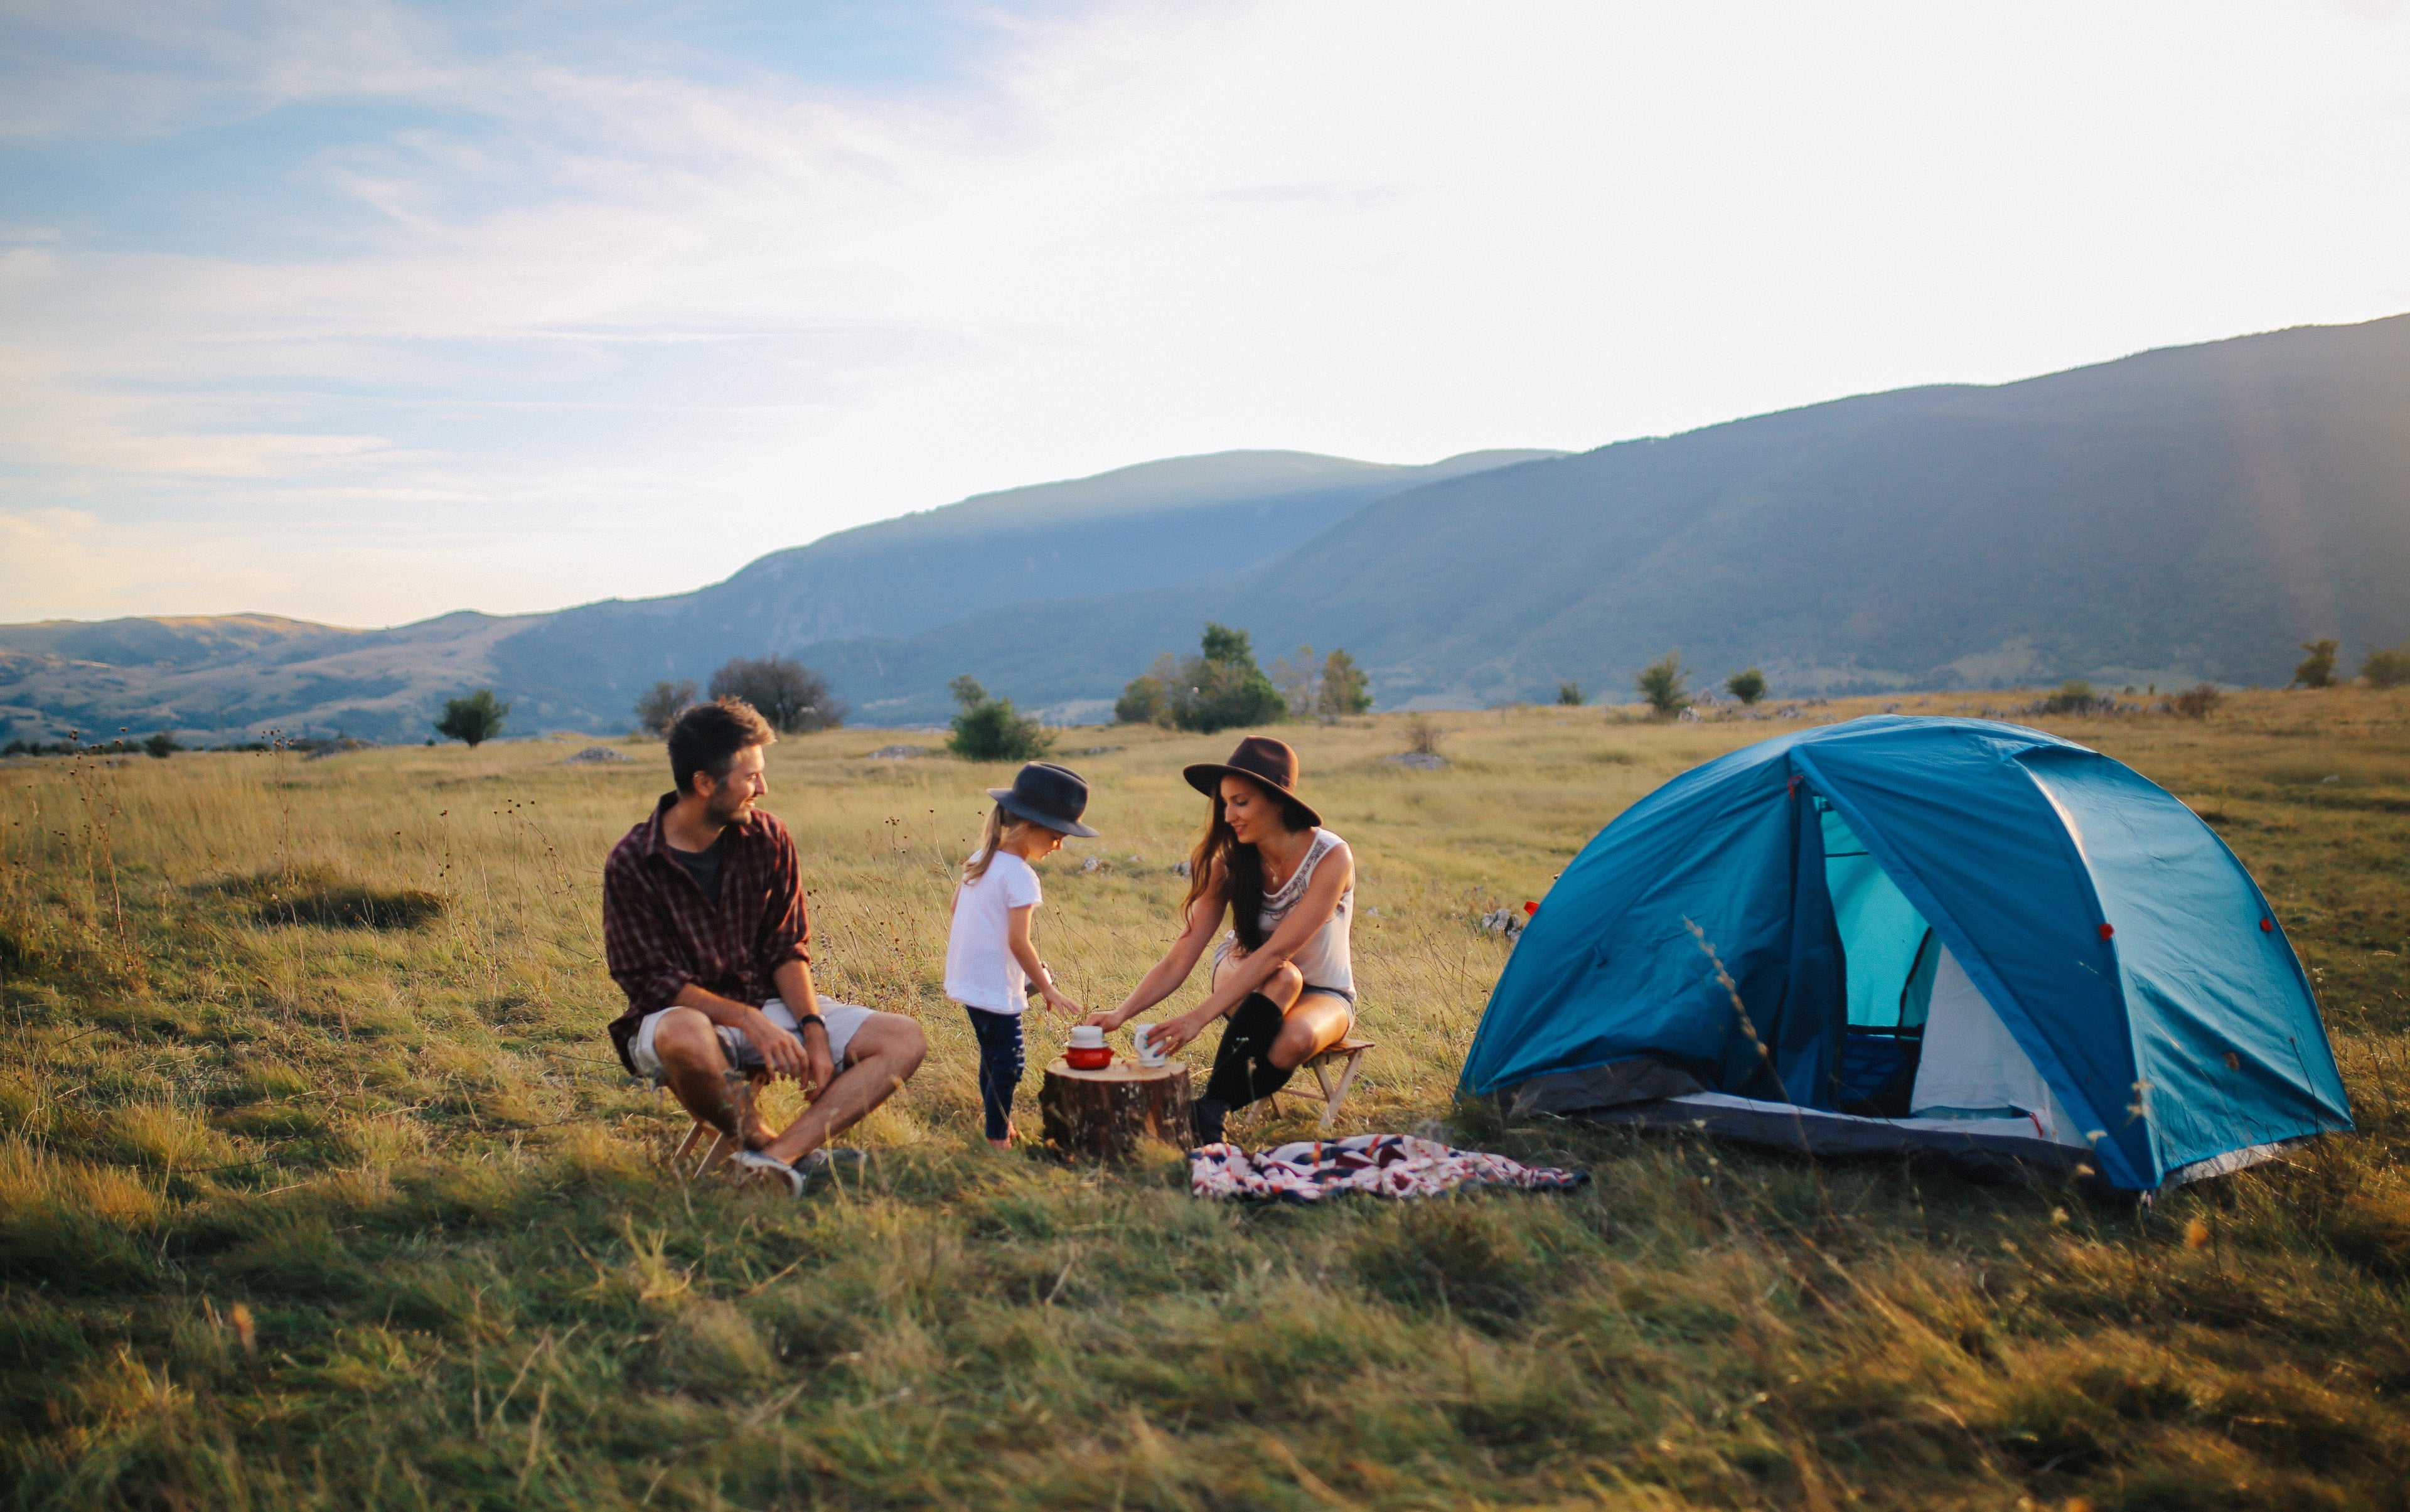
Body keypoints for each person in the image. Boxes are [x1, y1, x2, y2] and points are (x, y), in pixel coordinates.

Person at [602, 697, 926, 1194]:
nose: (763, 788)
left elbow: (786, 945)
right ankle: (775, 1148)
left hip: (767, 1004)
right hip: (673, 1018)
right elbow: (651, 981)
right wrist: (746, 1018)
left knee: (904, 1038)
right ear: (705, 783)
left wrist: (814, 1031)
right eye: (751, 777)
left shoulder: (768, 837)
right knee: (688, 1033)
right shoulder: (633, 861)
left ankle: (776, 1158)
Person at [1083, 736, 1354, 1144]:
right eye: (1224, 804)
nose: (1229, 815)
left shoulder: (1331, 856)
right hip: (1248, 974)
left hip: (1326, 991)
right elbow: (1182, 956)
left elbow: (1281, 949)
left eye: (1240, 802)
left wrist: (1197, 1018)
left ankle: (1207, 1109)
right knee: (1284, 979)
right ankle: (1208, 1118)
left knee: (1293, 1039)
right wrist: (1122, 1013)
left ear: (1277, 800)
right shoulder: (1227, 862)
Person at [944, 762, 1096, 1149]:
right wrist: (1048, 988)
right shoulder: (1021, 875)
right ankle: (997, 1139)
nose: (1059, 846)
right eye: (1057, 836)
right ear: (1030, 826)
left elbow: (956, 908)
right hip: (996, 989)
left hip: (969, 980)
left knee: (992, 1058)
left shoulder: (981, 857)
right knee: (1010, 1063)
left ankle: (1000, 1123)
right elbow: (1019, 943)